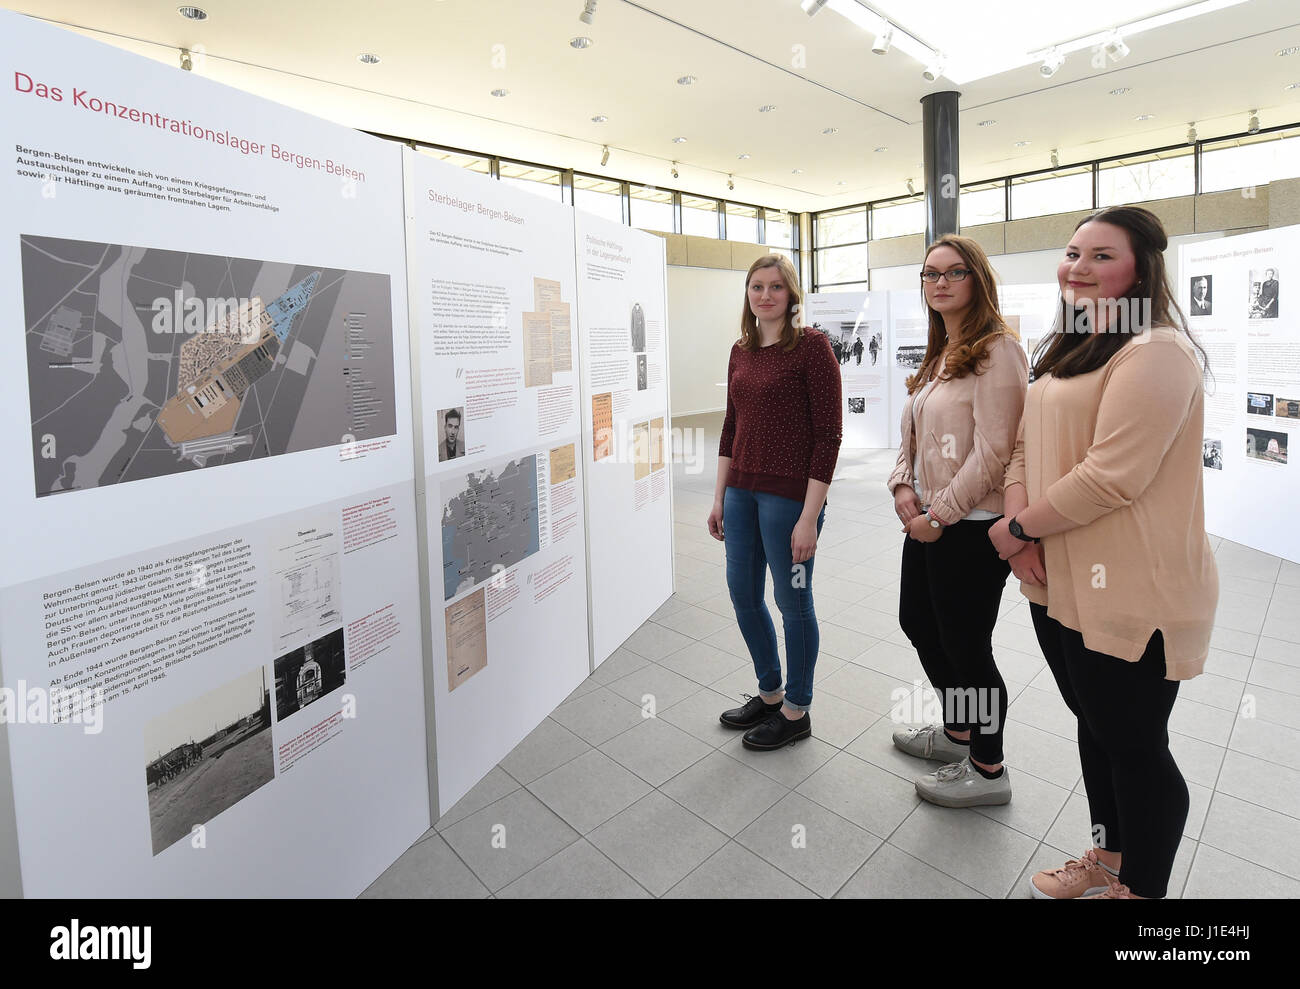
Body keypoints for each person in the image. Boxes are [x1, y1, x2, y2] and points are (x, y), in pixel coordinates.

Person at [990, 205, 1218, 900]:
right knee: (1098, 729)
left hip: (1133, 588)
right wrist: (1017, 527)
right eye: (1072, 253)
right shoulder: (1069, 346)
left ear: (1141, 269)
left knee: (1136, 748)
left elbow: (1112, 475)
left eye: (1101, 256)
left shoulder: (1156, 352)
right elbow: (1025, 441)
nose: (1078, 267)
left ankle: (1140, 891)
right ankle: (1108, 858)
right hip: (1060, 579)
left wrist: (1019, 530)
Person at [887, 234, 1028, 807]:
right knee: (918, 622)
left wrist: (940, 514)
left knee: (967, 646)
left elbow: (995, 451)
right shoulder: (940, 352)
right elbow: (913, 434)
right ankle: (958, 731)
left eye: (954, 272)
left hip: (969, 524)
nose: (939, 283)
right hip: (927, 518)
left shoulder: (999, 351)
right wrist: (901, 484)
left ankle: (988, 769)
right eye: (929, 274)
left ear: (978, 280)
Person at [709, 254, 842, 751]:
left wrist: (809, 516)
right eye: (756, 287)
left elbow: (828, 437)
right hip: (741, 493)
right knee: (743, 594)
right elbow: (730, 426)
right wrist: (719, 496)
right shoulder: (740, 350)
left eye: (775, 288)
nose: (765, 296)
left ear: (791, 295)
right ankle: (769, 693)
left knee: (792, 601)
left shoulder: (812, 348)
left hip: (790, 500)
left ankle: (796, 710)